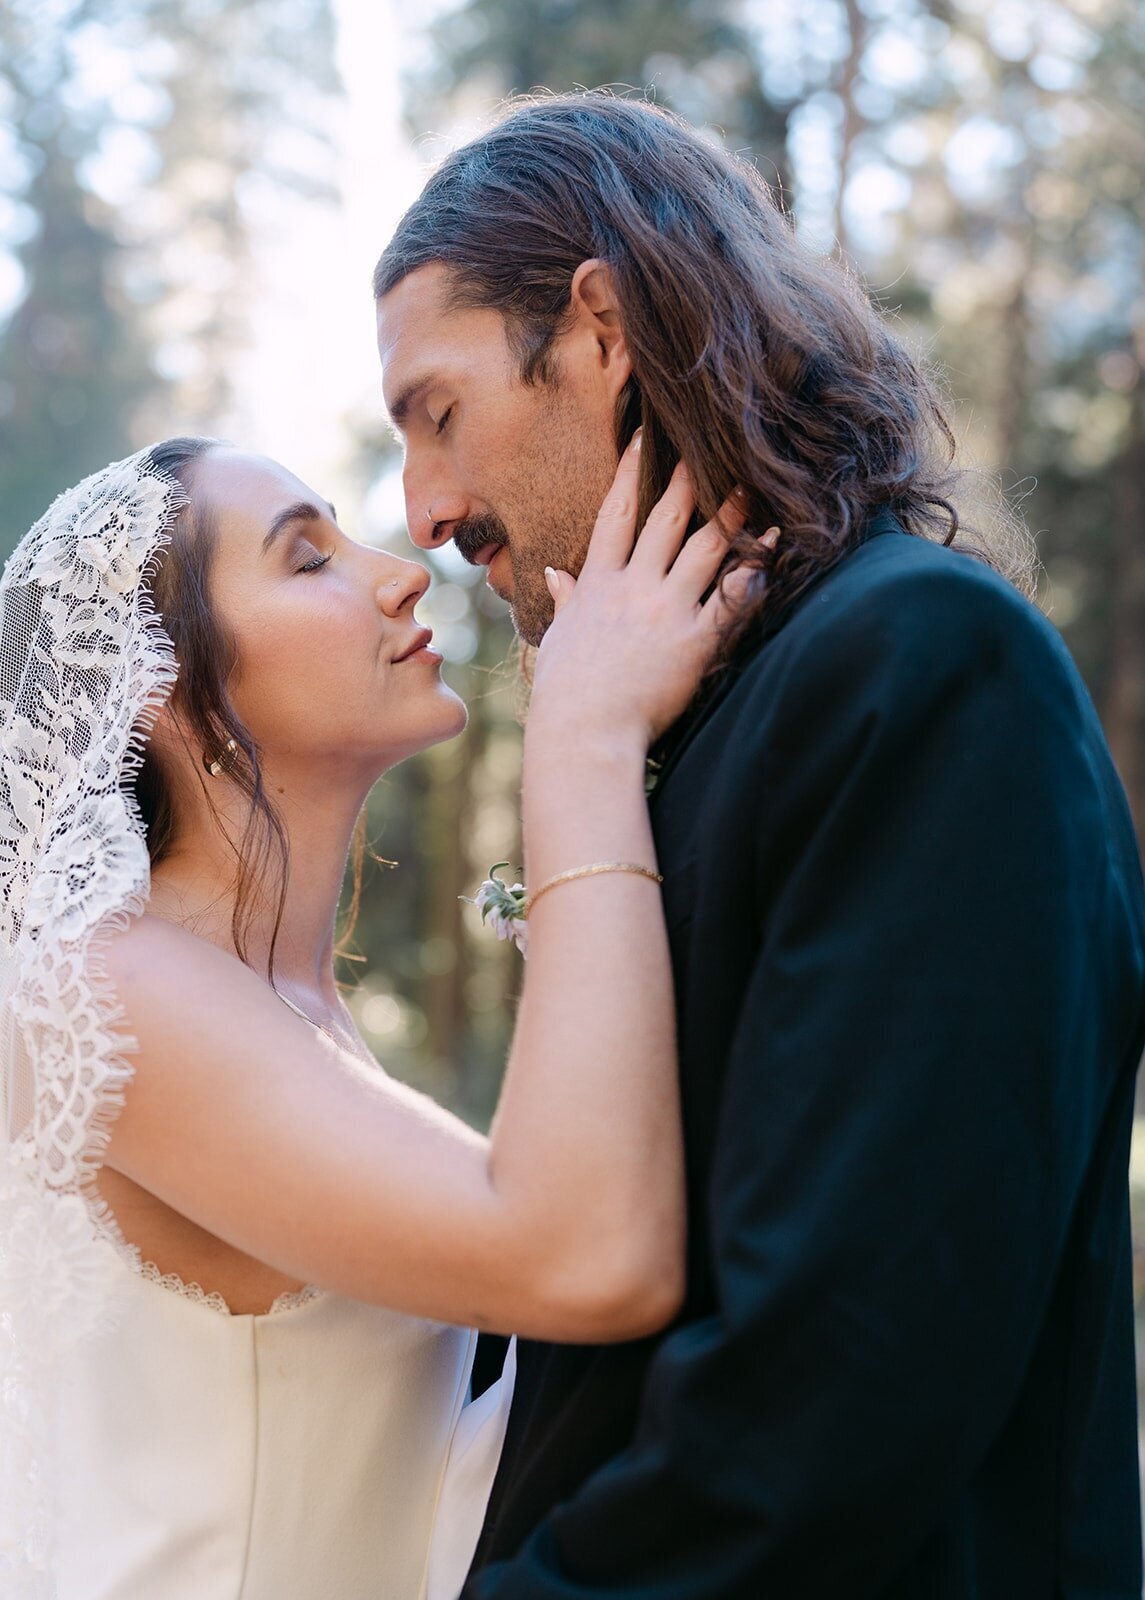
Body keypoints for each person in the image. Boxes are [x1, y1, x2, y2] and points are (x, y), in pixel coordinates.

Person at [373, 91, 1145, 1598]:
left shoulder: (927, 668)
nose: (424, 511)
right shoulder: (693, 729)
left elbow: (840, 1388)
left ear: (600, 331)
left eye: (438, 412)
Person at [0, 431, 752, 1600]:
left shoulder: (286, 1011)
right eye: (307, 559)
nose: (402, 573)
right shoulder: (108, 993)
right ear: (166, 694)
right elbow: (585, 1257)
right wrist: (582, 737)